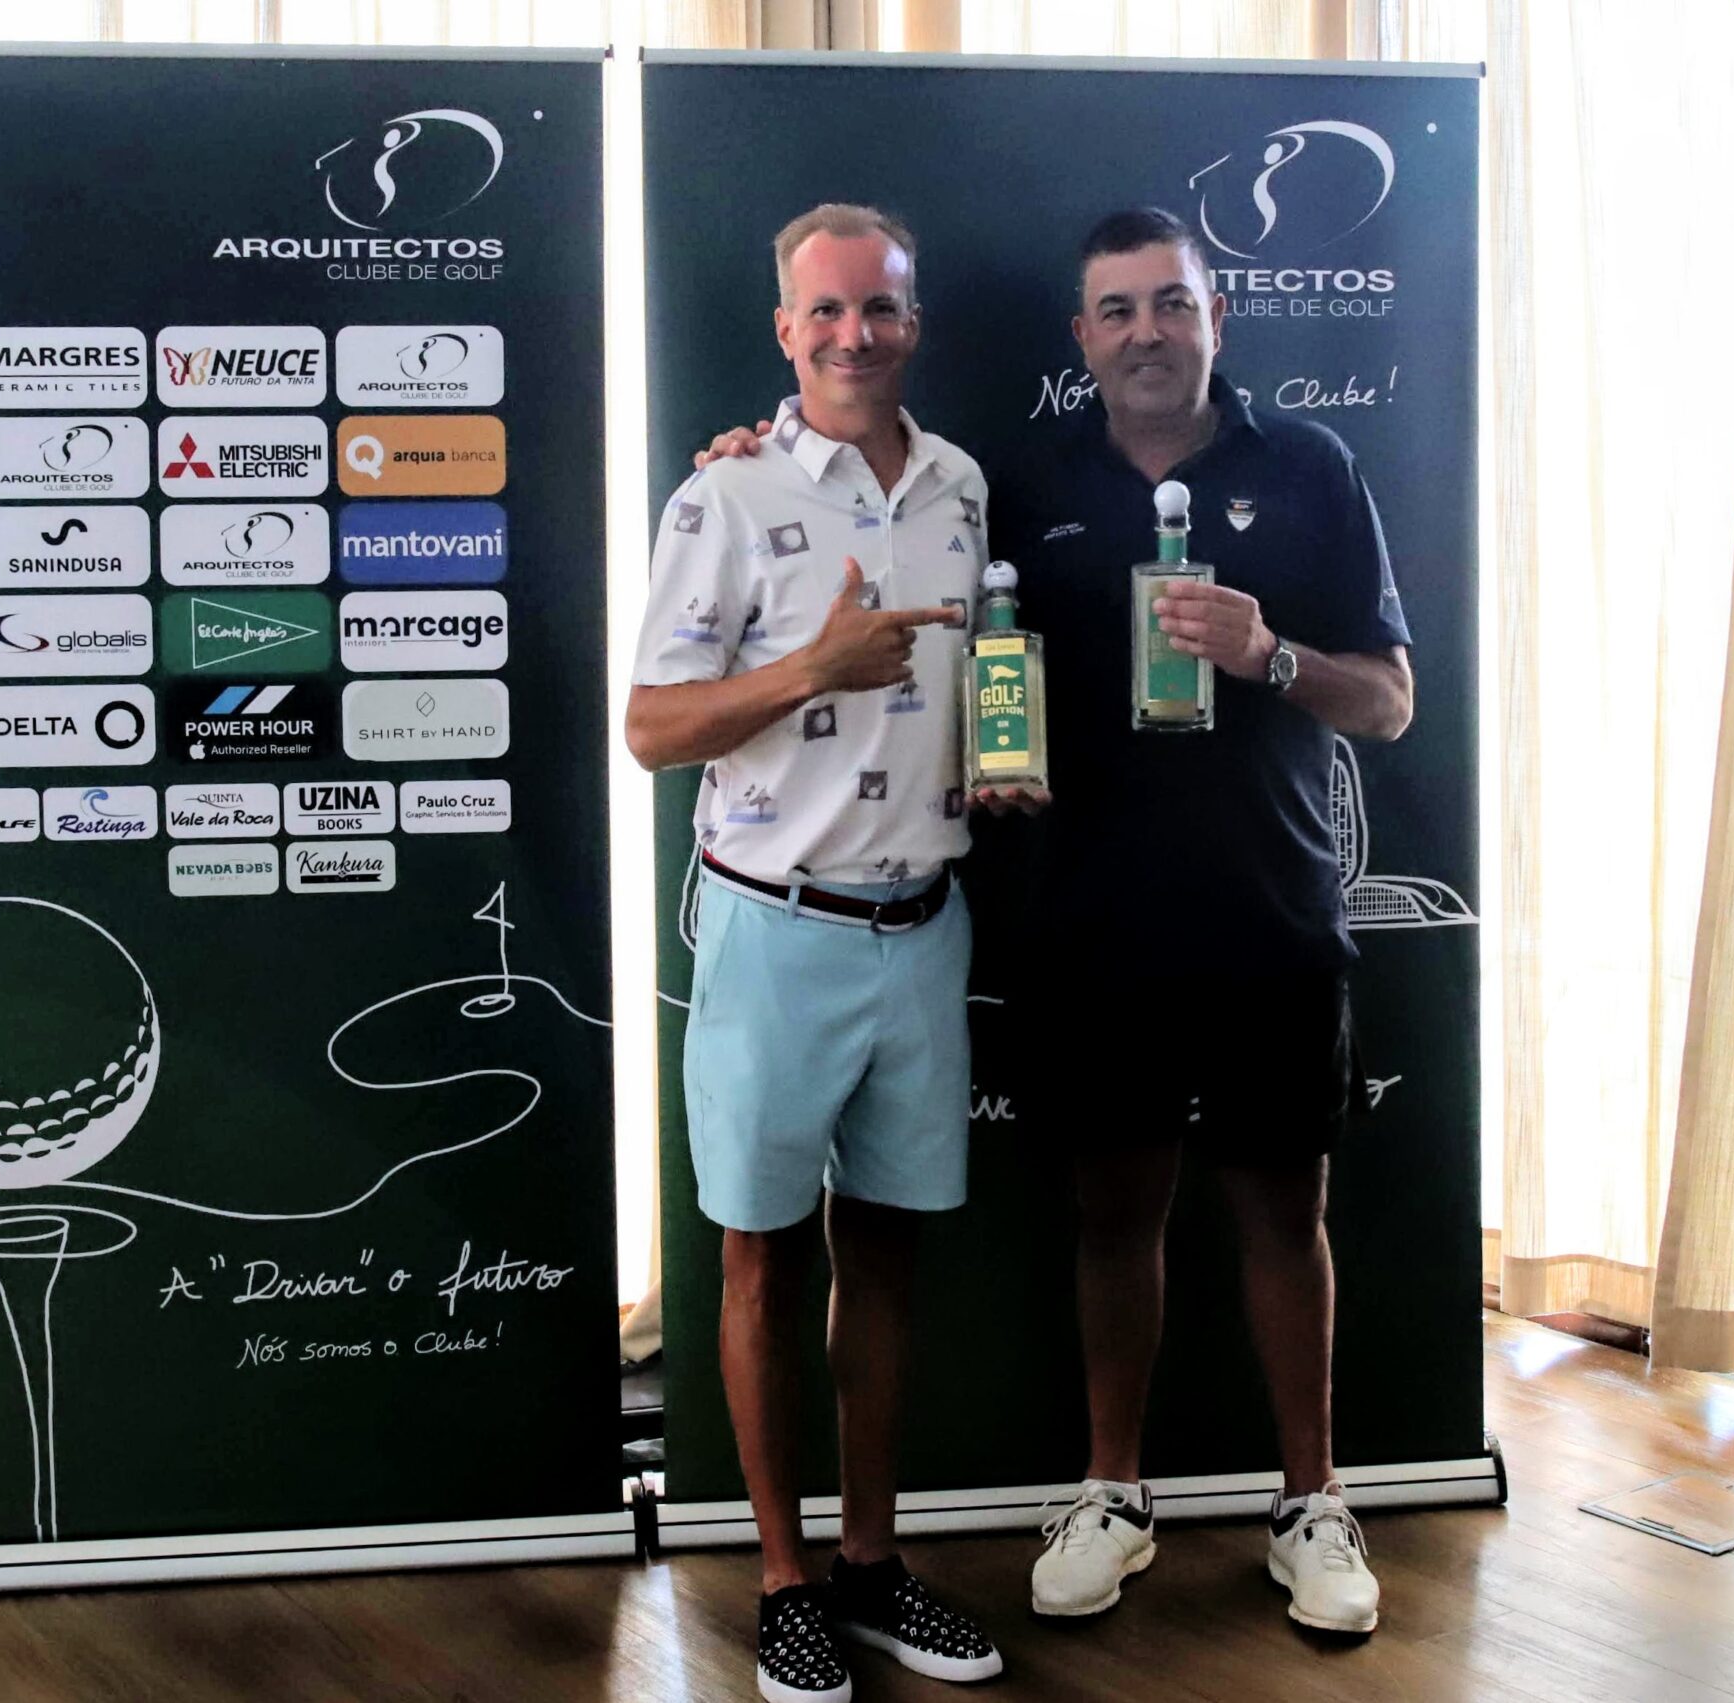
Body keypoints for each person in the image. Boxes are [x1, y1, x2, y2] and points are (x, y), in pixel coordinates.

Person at [695, 206, 1413, 1639]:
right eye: (1118, 311)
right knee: (1112, 1219)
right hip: (1088, 916)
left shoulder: (1312, 467)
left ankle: (1314, 1502)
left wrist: (1269, 654)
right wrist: (750, 452)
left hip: (1271, 912)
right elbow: (956, 642)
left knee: (1287, 1215)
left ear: (1215, 317)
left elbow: (1389, 703)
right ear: (1082, 337)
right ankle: (1110, 1495)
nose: (1147, 332)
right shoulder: (1012, 485)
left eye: (1171, 303)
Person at [627, 202, 1006, 1703]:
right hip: (775, 932)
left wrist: (999, 760)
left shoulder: (963, 484)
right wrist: (813, 669)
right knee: (761, 1263)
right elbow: (652, 730)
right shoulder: (720, 497)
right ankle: (783, 1580)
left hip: (924, 927)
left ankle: (868, 1560)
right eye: (828, 311)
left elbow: (976, 680)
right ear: (785, 329)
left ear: (915, 322)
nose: (857, 334)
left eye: (882, 308)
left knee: (889, 1259)